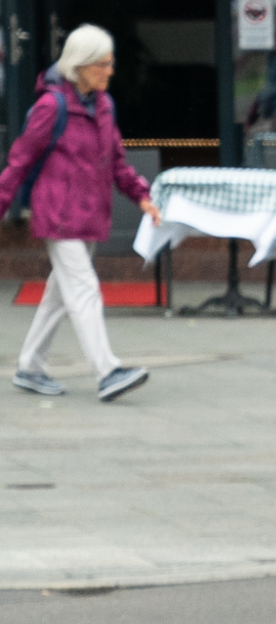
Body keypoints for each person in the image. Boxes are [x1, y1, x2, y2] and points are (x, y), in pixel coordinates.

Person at [0, 26, 157, 402]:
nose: (110, 71)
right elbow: (19, 162)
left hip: (89, 215)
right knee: (84, 289)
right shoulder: (51, 107)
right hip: (58, 214)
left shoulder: (103, 106)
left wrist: (142, 196)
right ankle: (108, 371)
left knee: (60, 294)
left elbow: (116, 161)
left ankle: (30, 366)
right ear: (81, 66)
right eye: (103, 64)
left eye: (110, 63)